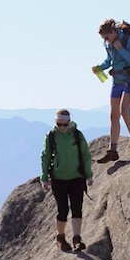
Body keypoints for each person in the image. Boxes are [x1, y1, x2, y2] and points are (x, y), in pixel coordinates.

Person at [40, 108, 92, 252]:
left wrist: (88, 175)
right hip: (58, 178)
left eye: (64, 124)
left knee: (77, 208)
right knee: (62, 209)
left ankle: (77, 239)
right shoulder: (51, 136)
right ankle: (61, 237)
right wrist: (44, 177)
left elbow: (85, 155)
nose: (62, 127)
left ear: (69, 122)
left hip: (76, 177)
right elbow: (45, 157)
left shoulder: (77, 135)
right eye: (59, 124)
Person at [93, 18, 130, 162]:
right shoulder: (110, 44)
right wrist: (99, 68)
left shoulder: (129, 40)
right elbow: (109, 61)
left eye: (107, 37)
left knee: (125, 111)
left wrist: (120, 48)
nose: (106, 41)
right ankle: (112, 150)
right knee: (114, 115)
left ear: (113, 32)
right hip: (117, 80)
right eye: (104, 39)